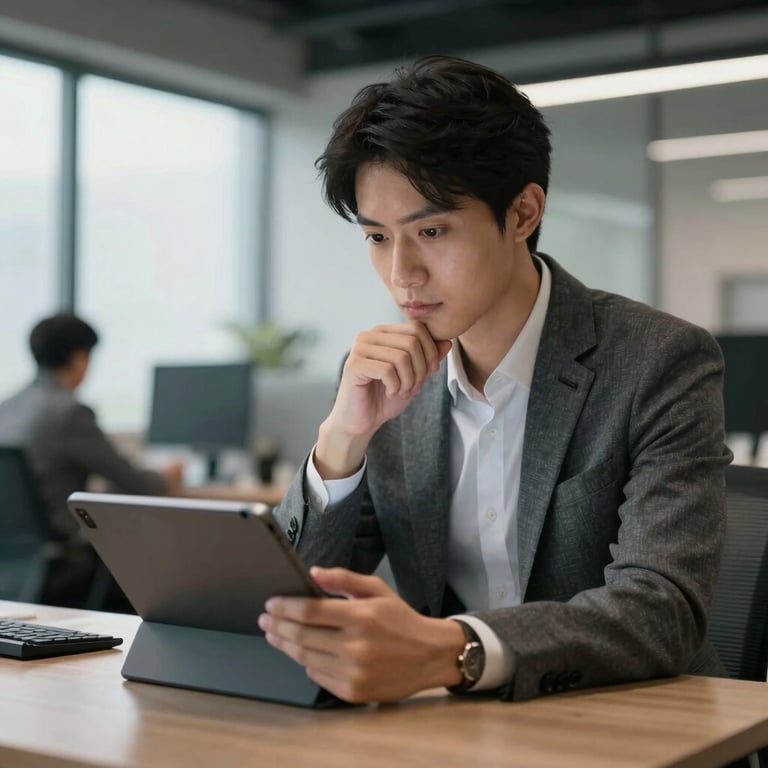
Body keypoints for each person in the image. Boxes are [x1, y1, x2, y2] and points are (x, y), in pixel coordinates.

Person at [262, 55, 732, 704]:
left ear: (522, 214)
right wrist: (341, 440)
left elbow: (661, 609)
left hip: (631, 721)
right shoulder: (382, 378)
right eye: (376, 236)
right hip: (452, 727)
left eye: (431, 230)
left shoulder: (657, 361)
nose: (402, 274)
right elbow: (296, 594)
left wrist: (455, 649)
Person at [0, 313, 184, 606]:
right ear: (79, 358)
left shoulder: (6, 408)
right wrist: (168, 475)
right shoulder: (68, 413)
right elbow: (136, 482)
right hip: (64, 560)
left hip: (14, 562)